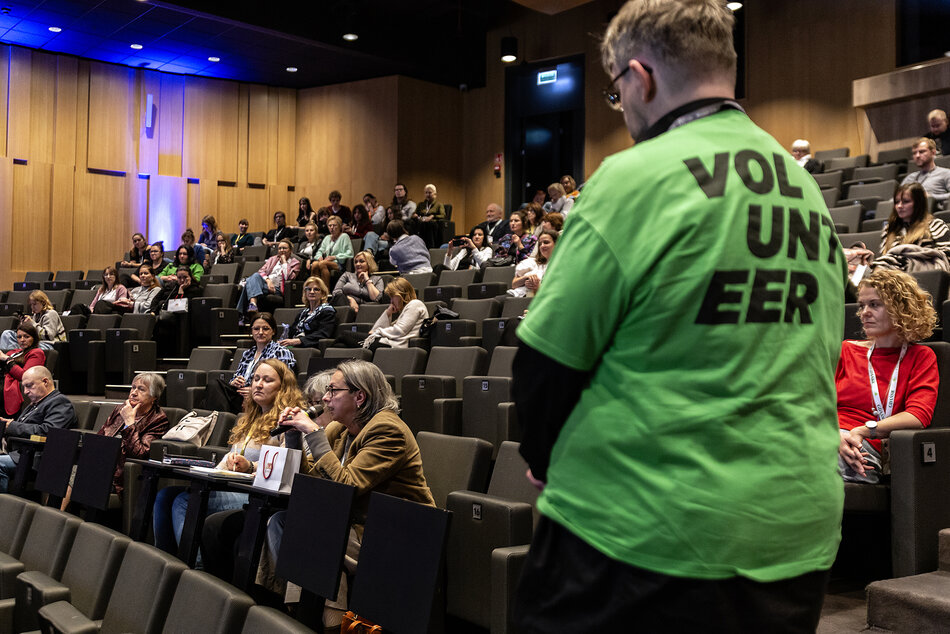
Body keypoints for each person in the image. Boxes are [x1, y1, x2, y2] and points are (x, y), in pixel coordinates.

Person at [511, 1, 848, 631]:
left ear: (640, 79)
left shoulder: (634, 177)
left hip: (644, 536)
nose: (624, 109)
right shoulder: (803, 189)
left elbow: (544, 362)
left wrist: (543, 457)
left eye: (615, 93)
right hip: (792, 535)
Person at [263, 360, 434, 618]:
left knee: (316, 531)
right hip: (354, 526)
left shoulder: (388, 430)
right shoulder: (340, 429)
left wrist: (313, 432)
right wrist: (294, 436)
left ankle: (327, 621)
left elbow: (347, 487)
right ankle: (300, 612)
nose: (324, 398)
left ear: (359, 396)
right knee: (280, 521)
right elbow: (310, 482)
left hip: (398, 532)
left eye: (333, 391)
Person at [154, 359, 303, 561]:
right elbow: (228, 459)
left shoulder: (289, 422)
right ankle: (163, 563)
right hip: (233, 485)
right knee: (165, 496)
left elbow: (285, 463)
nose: (258, 384)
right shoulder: (249, 418)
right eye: (256, 378)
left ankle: (193, 570)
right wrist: (225, 465)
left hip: (256, 493)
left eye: (267, 380)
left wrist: (250, 466)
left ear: (283, 388)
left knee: (184, 501)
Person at [838, 269, 938, 484]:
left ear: (901, 308)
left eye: (874, 304)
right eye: (862, 305)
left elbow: (918, 416)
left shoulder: (920, 357)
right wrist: (832, 435)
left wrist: (863, 430)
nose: (864, 312)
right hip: (827, 437)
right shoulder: (846, 350)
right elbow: (816, 402)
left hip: (866, 447)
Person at [0, 367, 77, 492]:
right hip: (18, 454)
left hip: (36, 458)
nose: (25, 392)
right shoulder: (36, 403)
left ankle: (4, 509)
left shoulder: (60, 402)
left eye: (29, 386)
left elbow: (47, 431)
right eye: (24, 387)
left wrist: (11, 426)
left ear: (45, 382)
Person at [202, 313, 297, 414]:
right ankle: (221, 420)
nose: (260, 332)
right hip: (241, 394)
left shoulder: (281, 351)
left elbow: (286, 382)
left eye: (265, 329)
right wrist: (234, 382)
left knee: (210, 400)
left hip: (262, 396)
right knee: (214, 385)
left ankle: (220, 421)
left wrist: (254, 390)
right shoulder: (248, 353)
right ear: (252, 331)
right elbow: (236, 376)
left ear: (273, 331)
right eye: (256, 329)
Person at [95, 373, 170, 495]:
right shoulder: (121, 409)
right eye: (133, 387)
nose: (134, 392)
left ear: (154, 397)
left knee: (75, 478)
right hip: (101, 466)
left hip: (119, 476)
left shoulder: (158, 420)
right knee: (66, 472)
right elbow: (100, 438)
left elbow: (140, 453)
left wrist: (129, 423)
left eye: (141, 389)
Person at [870, 182, 950, 272]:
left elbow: (946, 257)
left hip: (921, 274)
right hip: (891, 274)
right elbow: (884, 257)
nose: (899, 206)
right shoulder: (890, 229)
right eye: (897, 202)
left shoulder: (935, 225)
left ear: (918, 203)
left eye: (906, 202)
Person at [337, 278, 427, 351]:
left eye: (392, 297)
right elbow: (373, 331)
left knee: (344, 334)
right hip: (388, 343)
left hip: (395, 346)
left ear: (401, 294)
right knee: (340, 345)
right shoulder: (406, 309)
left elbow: (399, 331)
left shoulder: (415, 304)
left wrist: (379, 332)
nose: (391, 301)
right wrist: (388, 312)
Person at [235, 239, 301, 318]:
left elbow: (288, 278)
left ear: (290, 250)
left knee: (249, 283)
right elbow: (261, 271)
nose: (282, 250)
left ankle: (240, 315)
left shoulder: (295, 263)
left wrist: (284, 262)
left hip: (278, 289)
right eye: (280, 248)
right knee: (255, 275)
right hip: (266, 285)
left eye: (284, 248)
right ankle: (253, 304)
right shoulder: (273, 259)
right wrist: (268, 281)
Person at [277, 277, 336, 348]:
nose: (312, 292)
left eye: (316, 289)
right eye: (308, 289)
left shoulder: (327, 312)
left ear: (323, 294)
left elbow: (323, 334)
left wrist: (300, 341)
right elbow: (292, 331)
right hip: (295, 344)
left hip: (311, 346)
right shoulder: (302, 313)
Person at [0, 323, 44, 416]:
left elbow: (24, 375)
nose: (22, 340)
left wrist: (8, 360)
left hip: (10, 384)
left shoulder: (36, 353)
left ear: (34, 338)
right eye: (19, 337)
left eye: (26, 336)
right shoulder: (14, 352)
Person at [0, 291, 65, 352]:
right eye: (31, 305)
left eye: (35, 304)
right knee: (7, 334)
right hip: (36, 342)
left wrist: (32, 324)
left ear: (43, 303)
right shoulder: (36, 315)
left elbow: (48, 336)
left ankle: (15, 357)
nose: (32, 307)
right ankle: (9, 358)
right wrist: (24, 326)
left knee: (27, 346)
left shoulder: (51, 314)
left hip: (49, 345)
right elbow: (31, 335)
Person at [901, 138, 950, 210]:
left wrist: (931, 197)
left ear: (933, 152)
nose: (917, 156)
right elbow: (897, 197)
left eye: (921, 152)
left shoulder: (945, 173)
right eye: (914, 153)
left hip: (933, 212)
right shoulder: (910, 178)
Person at [509, 229, 558, 298]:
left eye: (546, 242)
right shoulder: (533, 262)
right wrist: (526, 278)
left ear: (557, 244)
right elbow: (514, 284)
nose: (542, 246)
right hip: (516, 295)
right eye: (540, 244)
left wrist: (536, 287)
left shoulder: (560, 265)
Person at [311, 215, 354, 289]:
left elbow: (350, 253)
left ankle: (326, 292)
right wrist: (319, 257)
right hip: (325, 262)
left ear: (339, 226)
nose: (332, 227)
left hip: (339, 263)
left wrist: (335, 257)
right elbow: (320, 251)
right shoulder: (327, 238)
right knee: (315, 264)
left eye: (334, 225)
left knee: (322, 263)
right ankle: (316, 289)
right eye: (330, 225)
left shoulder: (344, 236)